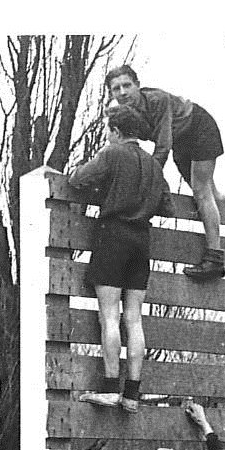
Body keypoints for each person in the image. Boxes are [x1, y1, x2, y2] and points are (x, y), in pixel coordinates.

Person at [65, 104, 174, 413]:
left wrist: (109, 191)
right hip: (142, 240)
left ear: (115, 131)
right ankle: (132, 393)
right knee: (135, 319)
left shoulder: (111, 154)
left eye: (108, 132)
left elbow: (76, 180)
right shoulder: (154, 165)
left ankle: (111, 388)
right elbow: (167, 207)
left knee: (109, 316)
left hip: (113, 236)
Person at [106, 64, 225, 280]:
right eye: (116, 89)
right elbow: (122, 142)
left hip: (199, 128)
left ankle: (215, 258)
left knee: (201, 191)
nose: (123, 92)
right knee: (212, 195)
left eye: (127, 85)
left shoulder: (157, 101)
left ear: (138, 86)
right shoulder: (121, 112)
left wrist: (146, 180)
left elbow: (163, 147)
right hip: (181, 140)